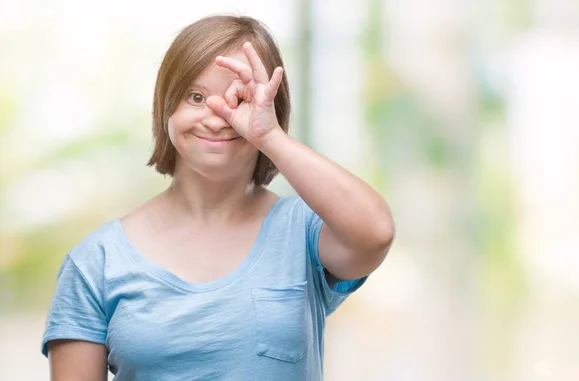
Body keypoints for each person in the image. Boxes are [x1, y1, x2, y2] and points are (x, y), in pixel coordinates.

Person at [41, 14, 395, 381]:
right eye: (196, 97)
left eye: (239, 98)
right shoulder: (95, 263)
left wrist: (268, 135)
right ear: (166, 107)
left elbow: (376, 232)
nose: (217, 117)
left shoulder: (305, 233)